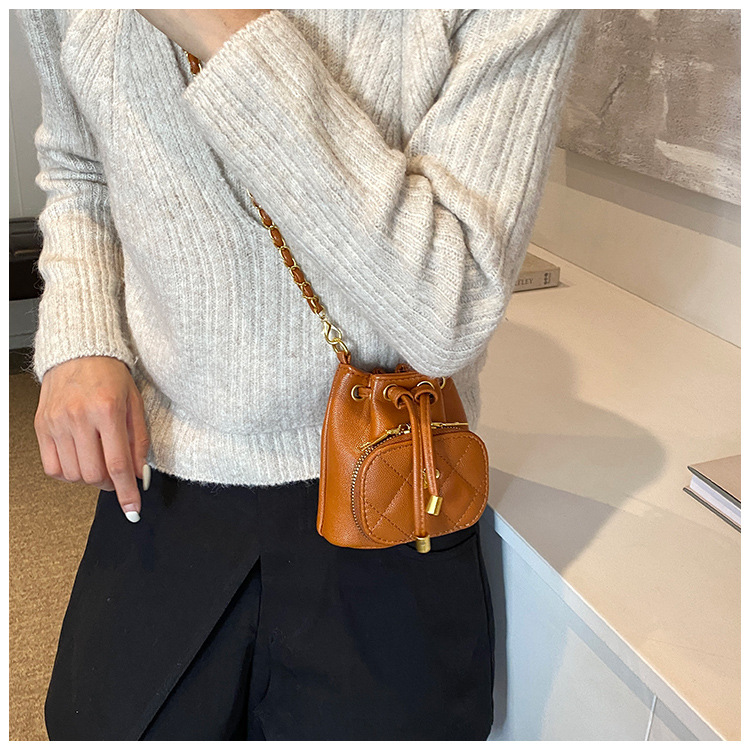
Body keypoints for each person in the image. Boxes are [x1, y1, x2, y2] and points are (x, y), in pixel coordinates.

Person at [17, 8, 586, 741]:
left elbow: (451, 305)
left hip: (384, 490)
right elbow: (79, 168)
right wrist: (80, 336)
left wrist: (218, 31)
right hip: (161, 476)